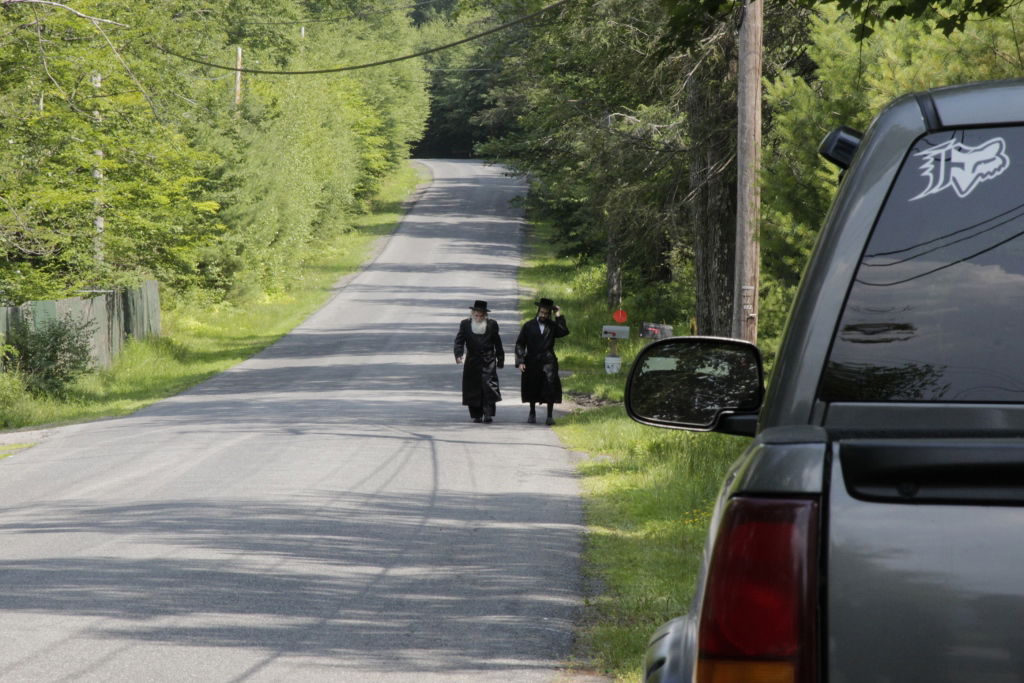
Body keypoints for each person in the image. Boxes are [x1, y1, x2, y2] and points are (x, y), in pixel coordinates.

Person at [515, 297, 569, 425]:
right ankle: (532, 412)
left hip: (548, 360)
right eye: (542, 312)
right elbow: (520, 344)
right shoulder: (528, 325)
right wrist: (521, 360)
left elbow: (564, 331)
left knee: (550, 386)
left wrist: (558, 315)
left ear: (549, 314)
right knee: (532, 386)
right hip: (532, 360)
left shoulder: (552, 326)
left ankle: (549, 416)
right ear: (538, 311)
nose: (543, 315)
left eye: (546, 313)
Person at [454, 300, 505, 423]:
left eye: (481, 315)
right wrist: (458, 354)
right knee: (473, 387)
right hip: (472, 360)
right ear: (472, 314)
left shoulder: (492, 325)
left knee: (489, 386)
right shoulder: (465, 324)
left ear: (485, 315)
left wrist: (500, 358)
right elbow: (459, 341)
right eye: (476, 315)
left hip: (488, 360)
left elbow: (498, 343)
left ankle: (488, 414)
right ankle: (476, 415)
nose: (478, 317)